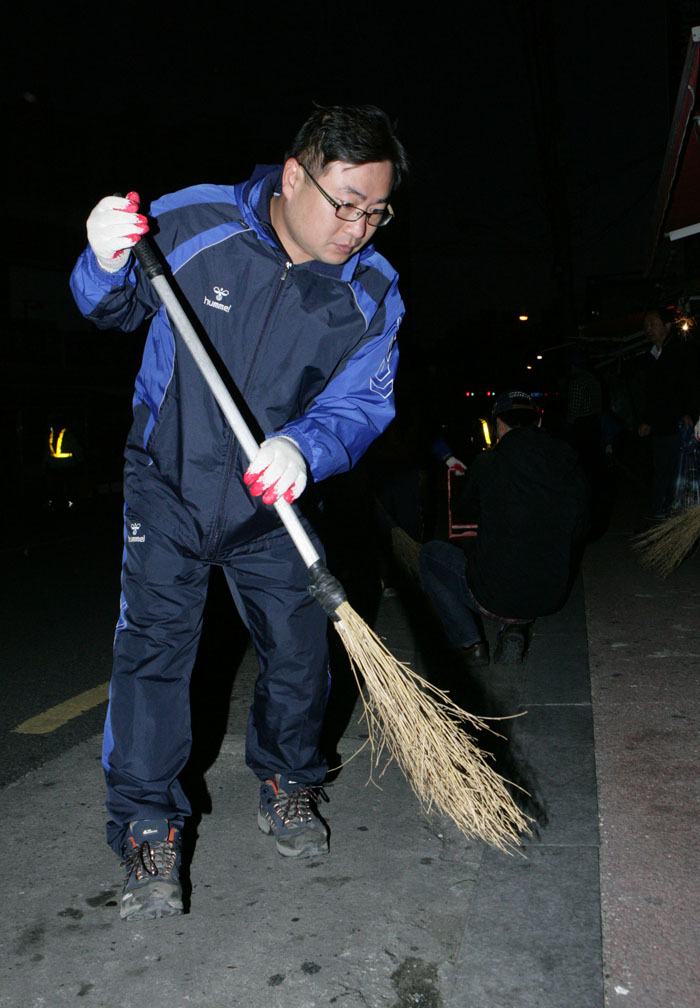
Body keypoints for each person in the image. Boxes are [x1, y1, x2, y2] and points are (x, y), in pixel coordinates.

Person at [69, 104, 408, 920]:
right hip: (169, 481)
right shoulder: (197, 220)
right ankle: (148, 826)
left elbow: (363, 403)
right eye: (346, 202)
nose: (358, 228)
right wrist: (103, 259)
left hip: (270, 501)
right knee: (154, 655)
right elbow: (105, 307)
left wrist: (307, 448)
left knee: (300, 652)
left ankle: (289, 779)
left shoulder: (372, 292)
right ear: (296, 175)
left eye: (377, 210)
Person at [419, 390, 589, 667]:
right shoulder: (569, 460)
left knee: (430, 555)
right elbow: (584, 526)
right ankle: (514, 627)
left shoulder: (489, 463)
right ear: (539, 423)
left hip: (497, 593)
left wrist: (470, 481)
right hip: (552, 592)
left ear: (498, 425)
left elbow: (461, 513)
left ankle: (470, 643)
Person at [637, 307, 700, 520]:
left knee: (677, 474)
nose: (648, 329)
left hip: (678, 425)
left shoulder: (681, 352)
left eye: (653, 324)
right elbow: (649, 394)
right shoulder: (649, 357)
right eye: (646, 325)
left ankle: (675, 521)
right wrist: (646, 420)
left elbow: (691, 386)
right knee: (660, 473)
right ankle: (659, 518)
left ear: (667, 326)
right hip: (659, 428)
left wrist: (688, 412)